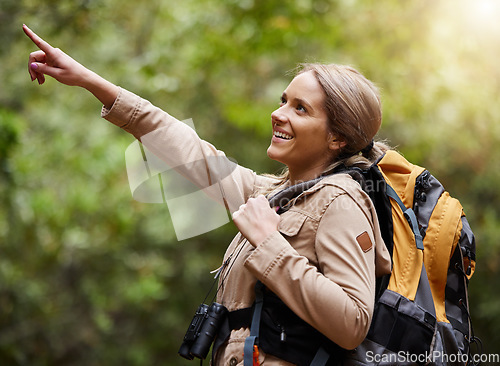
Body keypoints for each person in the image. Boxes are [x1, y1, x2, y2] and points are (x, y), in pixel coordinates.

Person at [24, 24, 392, 365]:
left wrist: (269, 242)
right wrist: (89, 80)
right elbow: (188, 150)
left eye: (300, 108)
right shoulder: (273, 194)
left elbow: (352, 323)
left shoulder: (342, 201)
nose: (277, 114)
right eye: (284, 100)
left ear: (337, 138)